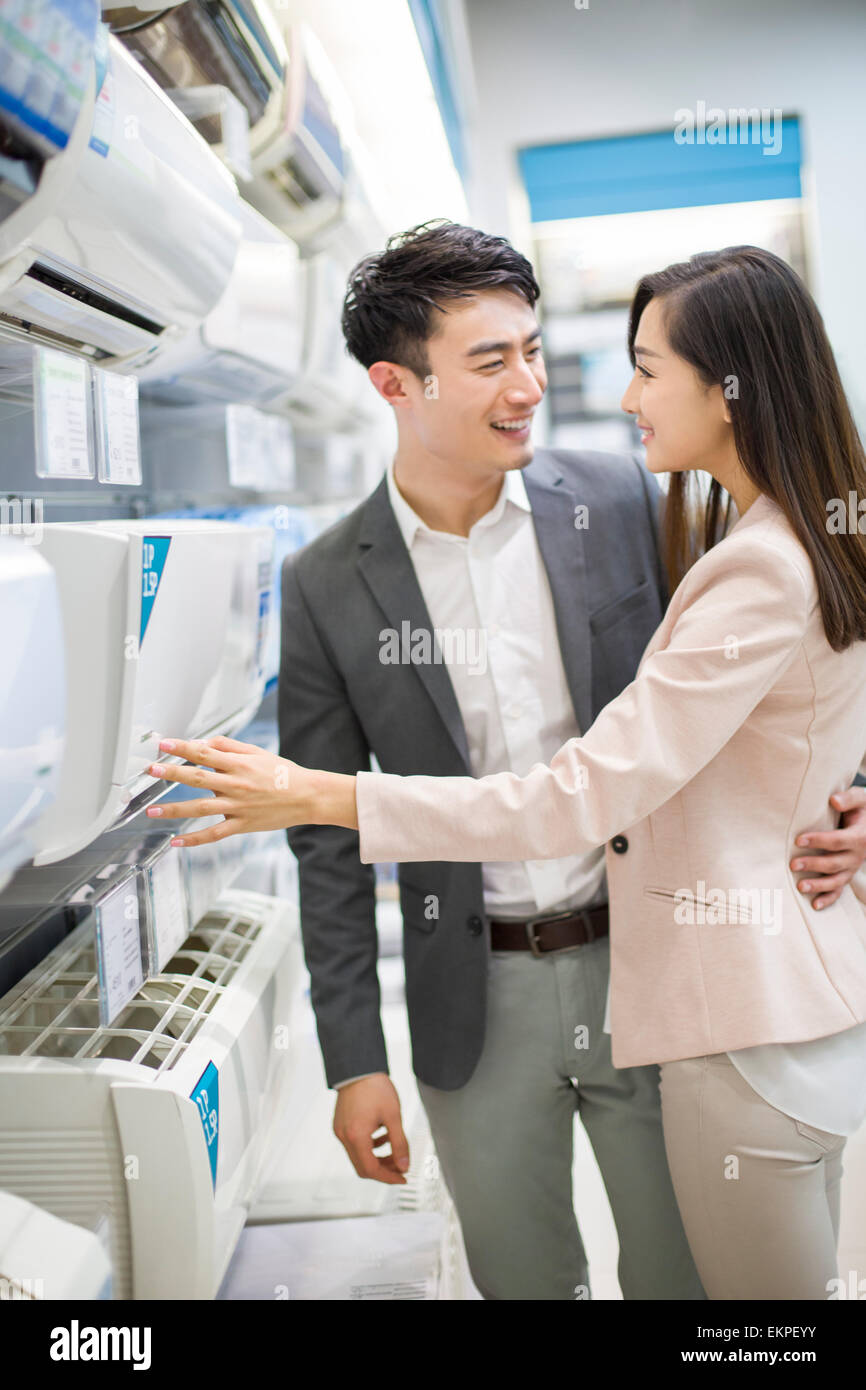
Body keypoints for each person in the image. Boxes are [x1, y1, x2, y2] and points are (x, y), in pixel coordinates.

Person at [147, 238, 866, 1301]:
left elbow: (789, 672)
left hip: (656, 965)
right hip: (472, 998)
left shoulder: (630, 499)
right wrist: (356, 1060)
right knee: (524, 1282)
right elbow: (325, 853)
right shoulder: (323, 584)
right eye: (490, 361)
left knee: (689, 1284)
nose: (529, 386)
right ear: (396, 383)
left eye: (531, 350)